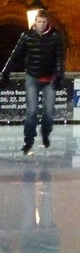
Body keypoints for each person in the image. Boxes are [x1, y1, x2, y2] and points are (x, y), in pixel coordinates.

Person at [1, 10, 66, 155]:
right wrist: (5, 72)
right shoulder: (27, 36)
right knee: (32, 111)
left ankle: (45, 133)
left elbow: (60, 58)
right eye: (39, 22)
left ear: (47, 22)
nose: (41, 25)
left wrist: (60, 75)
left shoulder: (56, 36)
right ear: (35, 22)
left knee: (49, 112)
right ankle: (29, 140)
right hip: (32, 77)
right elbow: (15, 55)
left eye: (44, 22)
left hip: (50, 78)